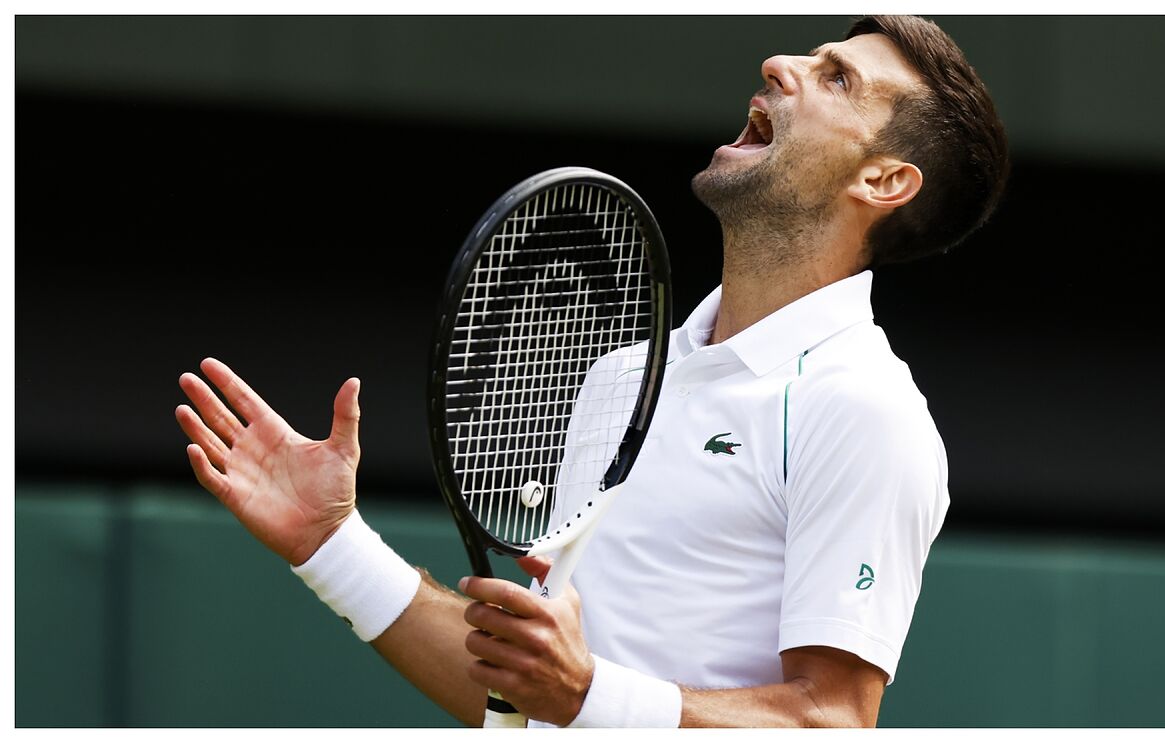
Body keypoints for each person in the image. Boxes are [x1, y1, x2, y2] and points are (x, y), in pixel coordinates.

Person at [175, 15, 1008, 728]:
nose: (779, 64)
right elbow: (530, 702)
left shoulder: (864, 409)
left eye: (837, 78)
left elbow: (832, 719)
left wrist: (586, 692)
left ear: (884, 179)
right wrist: (332, 546)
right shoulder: (624, 378)